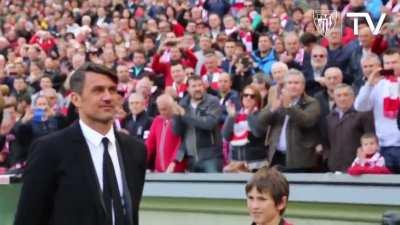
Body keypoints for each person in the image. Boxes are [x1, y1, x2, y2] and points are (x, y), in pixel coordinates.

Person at [14, 63, 147, 225]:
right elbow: (28, 218)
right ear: (76, 99)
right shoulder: (49, 150)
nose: (108, 97)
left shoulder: (135, 149)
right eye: (97, 90)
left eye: (112, 90)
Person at [258, 69, 320, 172]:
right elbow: (261, 121)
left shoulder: (311, 103)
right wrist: (273, 109)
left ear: (303, 86)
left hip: (300, 160)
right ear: (285, 86)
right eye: (290, 83)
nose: (293, 86)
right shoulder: (277, 100)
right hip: (276, 156)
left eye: (296, 83)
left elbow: (307, 121)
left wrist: (289, 106)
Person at [354, 48, 400, 173]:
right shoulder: (377, 85)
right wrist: (369, 84)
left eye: (395, 62)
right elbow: (360, 106)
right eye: (388, 63)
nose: (391, 66)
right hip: (385, 145)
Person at [172, 75, 223, 172]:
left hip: (210, 158)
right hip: (190, 158)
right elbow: (177, 132)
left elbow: (209, 123)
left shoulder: (213, 101)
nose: (198, 89)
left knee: (214, 187)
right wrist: (176, 115)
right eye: (194, 86)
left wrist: (184, 115)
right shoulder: (183, 104)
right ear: (188, 89)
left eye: (200, 85)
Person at [326, 84, 375, 172]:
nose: (342, 98)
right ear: (334, 98)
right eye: (339, 96)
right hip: (335, 166)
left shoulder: (363, 115)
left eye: (346, 95)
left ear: (353, 97)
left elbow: (371, 138)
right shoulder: (329, 118)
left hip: (357, 166)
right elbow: (327, 142)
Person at [222, 85, 268, 172]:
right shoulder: (236, 115)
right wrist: (231, 117)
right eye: (245, 95)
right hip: (236, 163)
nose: (248, 98)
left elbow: (257, 132)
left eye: (252, 96)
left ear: (257, 99)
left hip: (256, 164)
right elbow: (226, 136)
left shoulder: (261, 114)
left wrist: (249, 114)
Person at [146, 94, 186, 173]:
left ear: (172, 107)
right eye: (160, 110)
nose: (163, 112)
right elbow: (150, 143)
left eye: (165, 109)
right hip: (159, 169)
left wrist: (174, 161)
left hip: (177, 168)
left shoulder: (180, 121)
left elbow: (182, 143)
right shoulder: (157, 120)